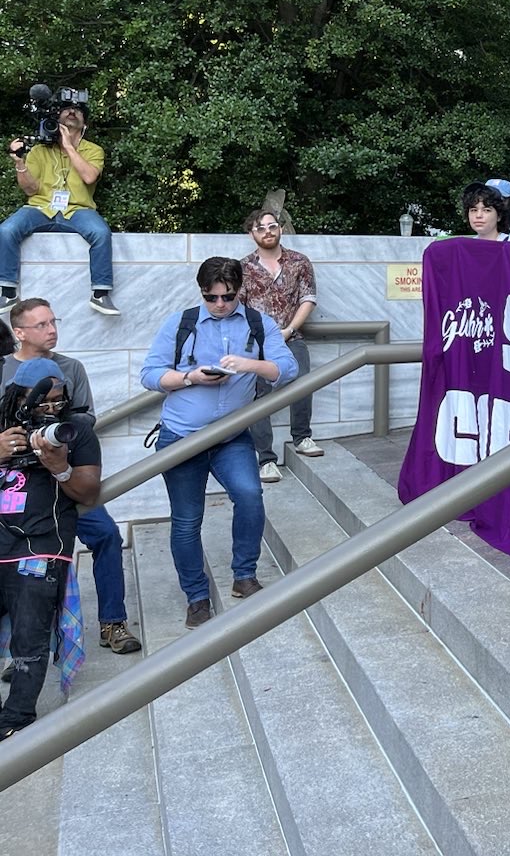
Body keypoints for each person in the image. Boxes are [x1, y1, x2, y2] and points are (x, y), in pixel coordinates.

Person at [140, 257, 298, 628]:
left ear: (239, 291)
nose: (221, 304)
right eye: (211, 298)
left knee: (249, 494)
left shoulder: (258, 323)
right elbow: (149, 374)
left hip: (231, 436)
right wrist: (191, 377)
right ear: (202, 294)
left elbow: (287, 368)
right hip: (181, 437)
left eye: (227, 296)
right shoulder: (182, 322)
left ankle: (244, 576)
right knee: (186, 521)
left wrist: (250, 365)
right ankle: (196, 597)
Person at [1, 299, 140, 655]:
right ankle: (15, 646)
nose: (52, 330)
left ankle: (113, 623)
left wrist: (57, 453)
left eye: (53, 322)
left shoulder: (71, 368)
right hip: (16, 485)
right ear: (19, 333)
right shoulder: (2, 370)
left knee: (107, 534)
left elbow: (83, 423)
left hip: (64, 477)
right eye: (42, 325)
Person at [0, 358, 103, 738]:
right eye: (42, 402)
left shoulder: (75, 432)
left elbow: (89, 491)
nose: (52, 408)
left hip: (40, 548)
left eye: (59, 400)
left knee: (30, 639)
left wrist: (59, 466)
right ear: (18, 398)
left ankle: (15, 718)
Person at [0, 92, 118, 316]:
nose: (72, 112)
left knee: (101, 233)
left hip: (78, 209)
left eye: (78, 110)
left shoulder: (93, 150)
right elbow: (30, 189)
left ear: (84, 122)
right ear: (57, 117)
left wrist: (69, 147)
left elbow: (89, 177)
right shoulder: (39, 150)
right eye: (66, 109)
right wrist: (19, 162)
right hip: (41, 208)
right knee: (7, 230)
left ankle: (100, 294)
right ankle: (8, 292)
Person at [239, 209, 324, 484]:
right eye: (260, 227)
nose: (267, 231)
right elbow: (238, 307)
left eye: (272, 226)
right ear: (252, 233)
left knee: (302, 383)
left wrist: (288, 331)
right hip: (257, 342)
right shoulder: (242, 268)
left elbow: (308, 299)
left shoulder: (299, 262)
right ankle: (265, 459)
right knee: (259, 397)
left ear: (281, 229)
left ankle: (302, 437)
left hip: (291, 336)